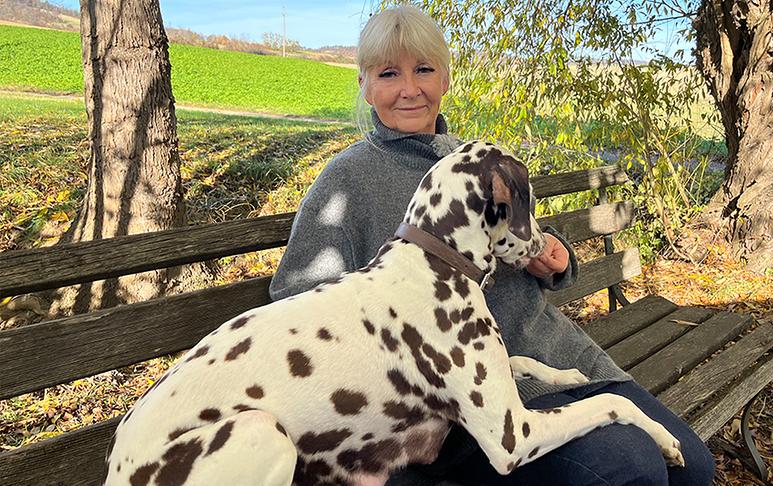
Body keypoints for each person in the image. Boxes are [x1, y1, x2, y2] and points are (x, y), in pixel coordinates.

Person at [269, 5, 715, 485]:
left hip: (550, 354)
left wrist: (553, 257)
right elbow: (299, 304)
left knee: (694, 468)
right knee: (630, 467)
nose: (409, 89)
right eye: (389, 73)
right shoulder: (346, 180)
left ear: (445, 78)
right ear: (365, 84)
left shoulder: (478, 159)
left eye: (423, 69)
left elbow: (523, 236)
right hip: (459, 400)